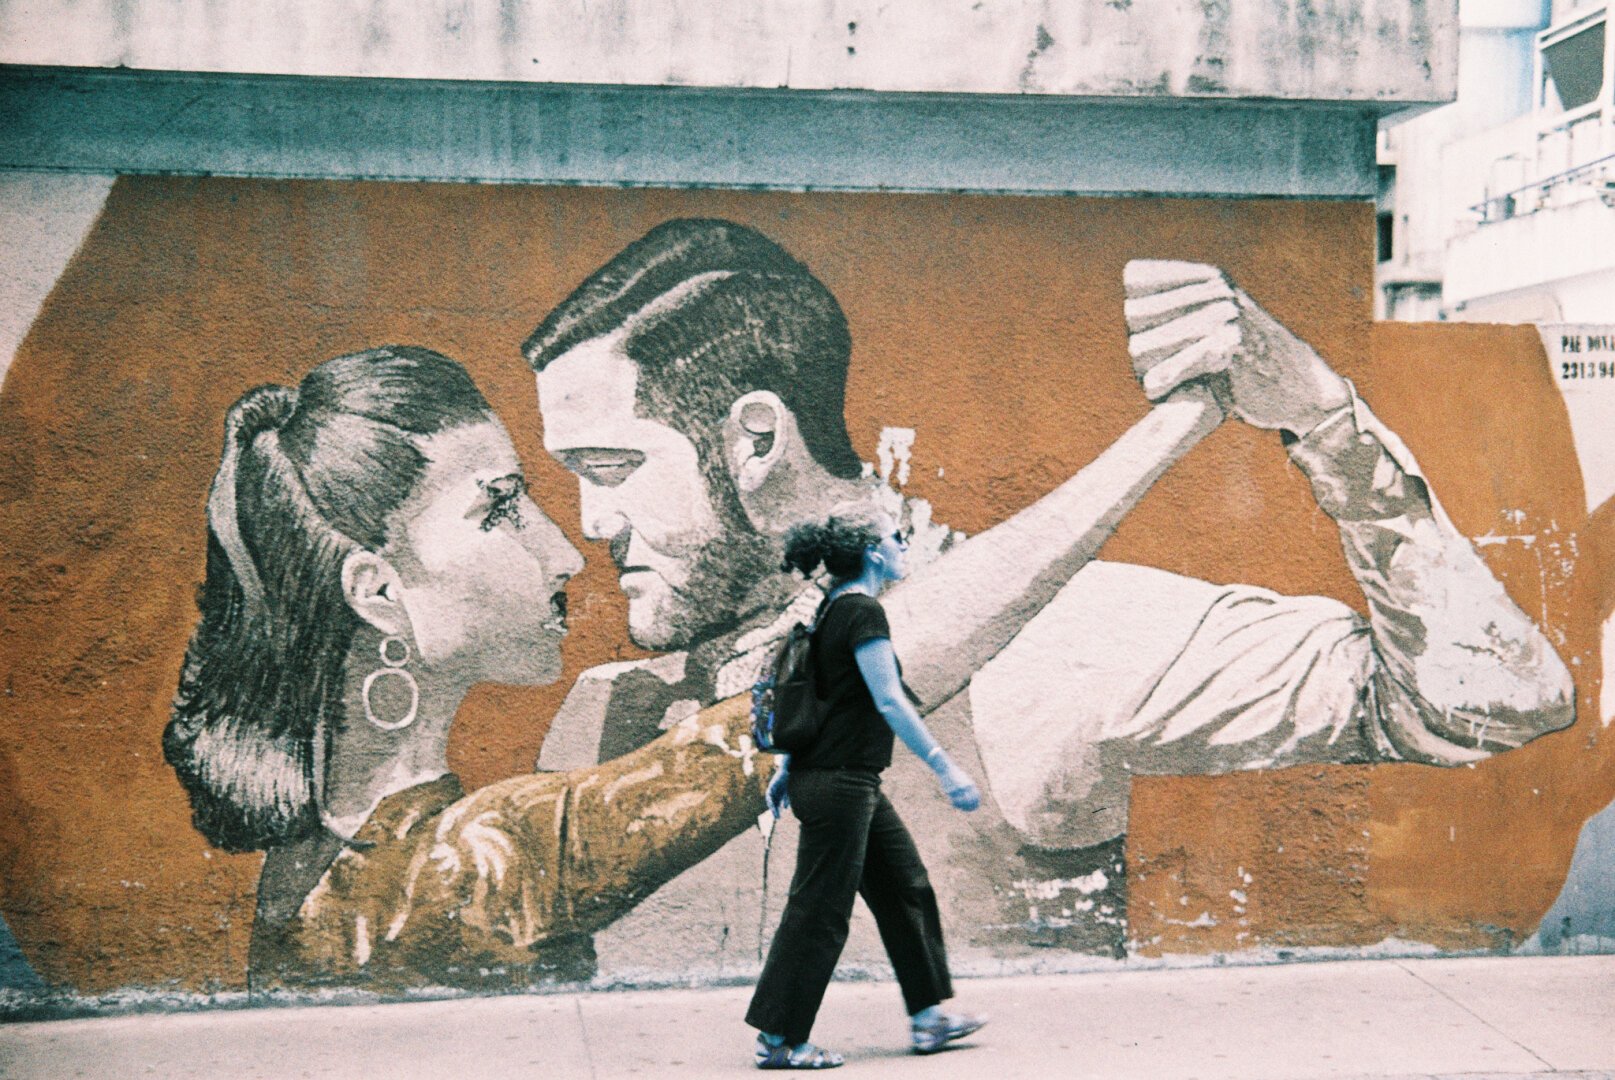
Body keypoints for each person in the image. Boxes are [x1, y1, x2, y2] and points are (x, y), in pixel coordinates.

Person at [523, 218, 1574, 870]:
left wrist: (1327, 424)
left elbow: (1495, 703)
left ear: (755, 439)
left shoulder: (1056, 652)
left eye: (609, 469)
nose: (588, 523)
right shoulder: (602, 712)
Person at [163, 345, 770, 992]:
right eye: (500, 509)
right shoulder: (464, 860)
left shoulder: (304, 858)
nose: (565, 553)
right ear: (378, 593)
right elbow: (802, 712)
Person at [745, 503, 985, 1069]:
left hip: (841, 781)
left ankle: (929, 1019)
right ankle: (779, 1040)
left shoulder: (832, 610)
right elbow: (887, 699)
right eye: (897, 537)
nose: (904, 545)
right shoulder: (862, 613)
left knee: (905, 885)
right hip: (842, 786)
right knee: (820, 912)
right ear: (875, 552)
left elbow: (822, 698)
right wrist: (945, 767)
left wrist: (787, 770)